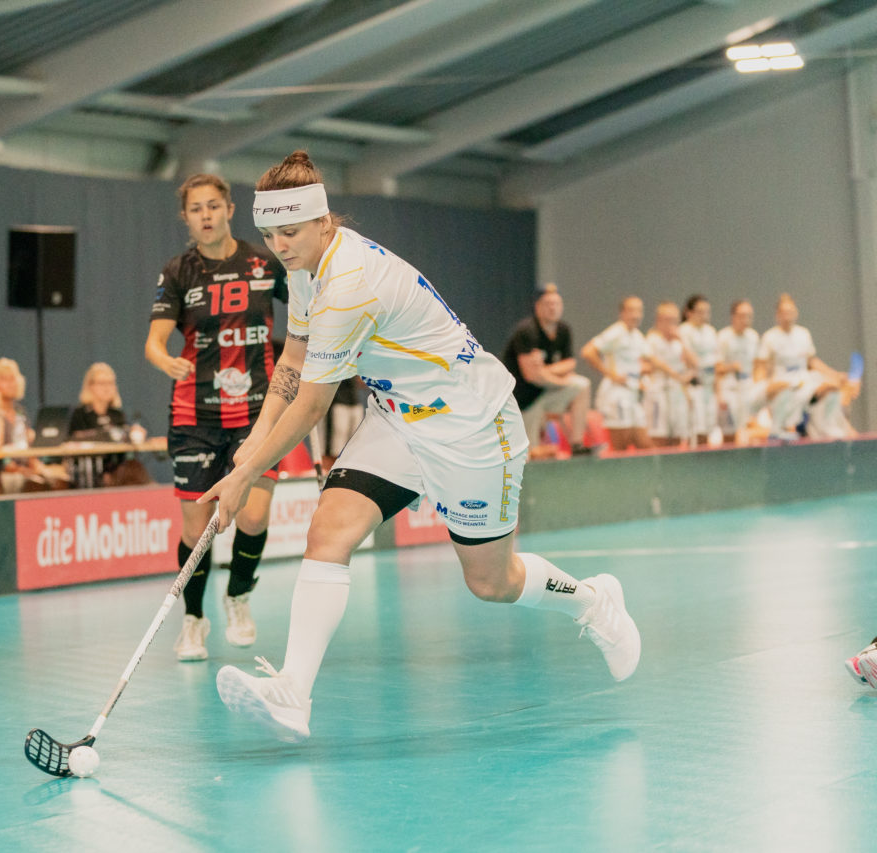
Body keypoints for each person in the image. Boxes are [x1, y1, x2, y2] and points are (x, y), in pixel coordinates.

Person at [201, 150, 640, 743]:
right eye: (271, 234)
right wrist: (245, 457)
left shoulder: (350, 286)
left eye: (291, 232)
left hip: (471, 426)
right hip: (399, 418)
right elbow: (294, 360)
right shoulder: (307, 271)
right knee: (328, 530)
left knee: (491, 582)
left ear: (324, 223)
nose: (280, 246)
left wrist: (247, 471)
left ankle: (591, 602)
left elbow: (311, 403)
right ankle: (292, 694)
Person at [145, 172, 288, 662]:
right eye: (195, 209)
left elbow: (314, 305)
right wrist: (163, 358)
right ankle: (193, 618)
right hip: (195, 413)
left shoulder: (265, 263)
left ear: (230, 208)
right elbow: (155, 340)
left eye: (213, 206)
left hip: (259, 411)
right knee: (195, 527)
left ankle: (239, 597)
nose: (205, 215)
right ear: (186, 218)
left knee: (253, 512)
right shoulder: (179, 271)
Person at [501, 282, 592, 459]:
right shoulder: (527, 331)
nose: (553, 308)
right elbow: (532, 376)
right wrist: (559, 380)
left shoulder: (563, 330)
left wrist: (546, 371)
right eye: (548, 304)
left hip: (546, 391)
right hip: (524, 400)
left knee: (582, 386)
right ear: (538, 307)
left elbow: (570, 363)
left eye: (556, 304)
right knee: (528, 456)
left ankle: (577, 444)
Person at [756, 294, 846, 440]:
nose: (787, 316)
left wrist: (834, 375)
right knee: (783, 393)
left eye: (790, 312)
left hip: (805, 381)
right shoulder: (769, 337)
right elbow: (761, 367)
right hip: (783, 383)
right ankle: (778, 429)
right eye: (784, 313)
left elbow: (812, 362)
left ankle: (828, 426)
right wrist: (762, 387)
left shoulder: (803, 334)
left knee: (831, 387)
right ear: (777, 315)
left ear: (796, 313)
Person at [0, 357, 63, 492]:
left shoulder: (20, 410)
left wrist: (38, 467)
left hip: (25, 467)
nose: (10, 384)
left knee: (58, 480)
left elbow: (27, 446)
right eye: (4, 380)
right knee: (36, 485)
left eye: (12, 379)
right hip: (3, 471)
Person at [581, 297, 651, 451]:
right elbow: (588, 352)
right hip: (617, 395)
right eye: (631, 310)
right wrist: (611, 374)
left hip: (634, 395)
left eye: (639, 310)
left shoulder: (637, 336)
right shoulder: (615, 332)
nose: (636, 315)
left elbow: (648, 361)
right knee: (621, 446)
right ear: (622, 313)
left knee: (644, 444)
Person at [68, 362, 147, 487]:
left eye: (110, 383)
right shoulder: (79, 414)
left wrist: (132, 433)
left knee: (134, 468)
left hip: (116, 467)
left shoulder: (117, 414)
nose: (107, 388)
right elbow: (74, 440)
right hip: (89, 470)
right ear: (90, 386)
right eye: (102, 383)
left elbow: (123, 439)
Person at [643, 301, 698, 448]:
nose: (671, 324)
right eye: (667, 320)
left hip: (677, 393)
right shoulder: (651, 340)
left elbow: (695, 364)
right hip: (658, 392)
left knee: (678, 435)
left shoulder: (680, 341)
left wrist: (681, 341)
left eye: (675, 320)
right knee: (658, 434)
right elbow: (646, 364)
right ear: (658, 320)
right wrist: (672, 373)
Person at [715, 299, 765, 444]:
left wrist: (757, 384)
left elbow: (758, 365)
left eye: (749, 316)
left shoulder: (753, 337)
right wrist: (720, 395)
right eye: (742, 315)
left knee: (747, 427)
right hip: (729, 389)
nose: (746, 320)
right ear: (733, 316)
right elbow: (717, 368)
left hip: (747, 387)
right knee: (729, 432)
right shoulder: (723, 337)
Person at [679, 295, 719, 446]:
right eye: (700, 312)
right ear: (688, 312)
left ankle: (705, 464)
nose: (704, 316)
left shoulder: (711, 331)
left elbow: (716, 361)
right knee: (694, 429)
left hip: (709, 386)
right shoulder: (683, 331)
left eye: (707, 312)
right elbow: (689, 359)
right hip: (693, 386)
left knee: (707, 429)